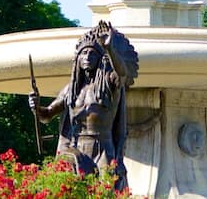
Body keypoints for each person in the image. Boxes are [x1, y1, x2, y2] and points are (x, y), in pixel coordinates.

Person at [30, 21, 139, 190]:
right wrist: (36, 107)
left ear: (100, 58)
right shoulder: (70, 91)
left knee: (108, 190)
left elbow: (122, 74)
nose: (87, 57)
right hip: (77, 147)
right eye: (84, 54)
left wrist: (109, 48)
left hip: (103, 147)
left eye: (92, 54)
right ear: (78, 59)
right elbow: (47, 114)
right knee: (74, 190)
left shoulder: (108, 84)